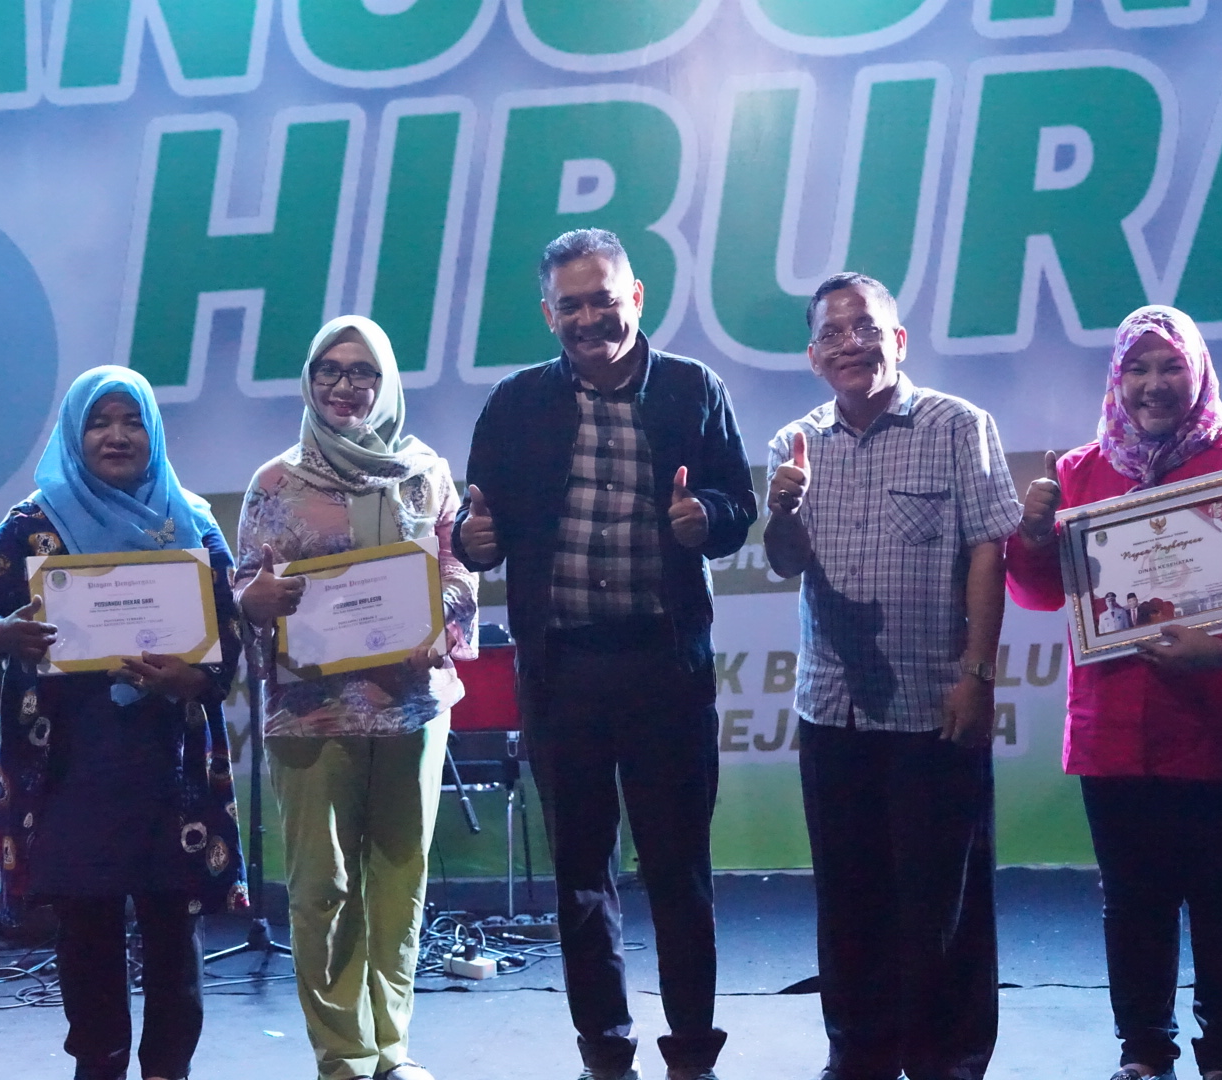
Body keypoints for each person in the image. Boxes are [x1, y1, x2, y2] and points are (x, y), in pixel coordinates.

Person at [453, 228, 756, 1080]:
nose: (589, 318)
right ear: (549, 314)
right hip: (562, 673)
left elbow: (739, 505)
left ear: (637, 298)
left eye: (603, 299)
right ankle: (604, 1051)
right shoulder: (515, 403)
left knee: (678, 872)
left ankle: (692, 1052)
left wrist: (709, 520)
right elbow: (477, 526)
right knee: (580, 876)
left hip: (666, 671)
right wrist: (473, 543)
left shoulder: (695, 389)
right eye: (571, 305)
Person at [1006, 305, 1222, 1080]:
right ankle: (1144, 1054)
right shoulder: (1078, 474)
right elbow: (1040, 594)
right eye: (1137, 368)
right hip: (1117, 726)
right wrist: (1034, 534)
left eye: (1171, 366)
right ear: (1116, 380)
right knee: (1133, 900)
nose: (1154, 384)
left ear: (1198, 373)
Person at [764, 272, 1021, 1080]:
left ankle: (948, 1057)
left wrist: (978, 673)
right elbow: (783, 562)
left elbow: (990, 550)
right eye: (832, 334)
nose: (850, 343)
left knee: (944, 897)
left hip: (934, 703)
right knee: (849, 894)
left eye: (866, 327)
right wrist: (782, 511)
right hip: (832, 707)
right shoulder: (793, 443)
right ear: (814, 357)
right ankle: (859, 1050)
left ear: (898, 340)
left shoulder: (959, 426)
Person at [235, 315, 478, 1080]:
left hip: (410, 706)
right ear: (309, 381)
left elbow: (458, 573)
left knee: (400, 878)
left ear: (387, 382)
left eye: (363, 371)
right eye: (330, 371)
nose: (346, 386)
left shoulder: (425, 473)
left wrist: (441, 624)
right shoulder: (275, 483)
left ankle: (392, 1049)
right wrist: (254, 600)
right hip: (311, 713)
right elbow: (243, 588)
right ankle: (343, 1056)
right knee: (320, 889)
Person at [0, 365, 245, 1080]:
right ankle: (97, 1067)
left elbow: (227, 638)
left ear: (152, 433)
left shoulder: (190, 520)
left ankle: (169, 1069)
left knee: (173, 931)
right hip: (70, 765)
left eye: (132, 421)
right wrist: (1, 636)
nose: (116, 435)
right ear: (75, 434)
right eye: (99, 422)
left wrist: (193, 679)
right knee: (87, 930)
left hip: (169, 765)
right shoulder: (30, 527)